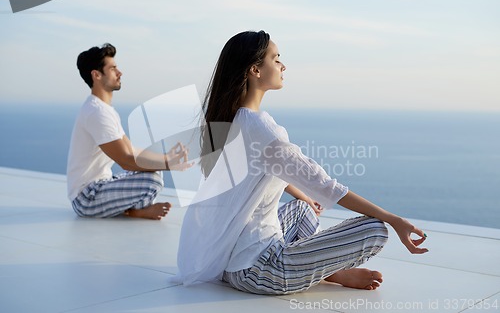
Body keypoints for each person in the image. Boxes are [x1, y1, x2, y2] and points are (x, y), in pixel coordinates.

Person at [176, 31, 428, 294]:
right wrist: (393, 219)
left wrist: (300, 194)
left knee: (303, 208)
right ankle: (330, 272)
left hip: (232, 259)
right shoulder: (261, 128)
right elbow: (326, 186)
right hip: (261, 271)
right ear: (255, 70)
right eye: (275, 59)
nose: (282, 66)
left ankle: (320, 270)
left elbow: (259, 173)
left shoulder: (235, 121)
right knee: (375, 229)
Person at [67, 43, 192, 220]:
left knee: (153, 170)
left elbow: (131, 150)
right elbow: (126, 161)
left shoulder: (104, 110)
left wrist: (166, 158)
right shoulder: (96, 112)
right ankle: (134, 211)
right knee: (152, 180)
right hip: (87, 198)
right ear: (96, 75)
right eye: (113, 68)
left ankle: (133, 209)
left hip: (102, 184)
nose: (120, 73)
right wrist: (168, 164)